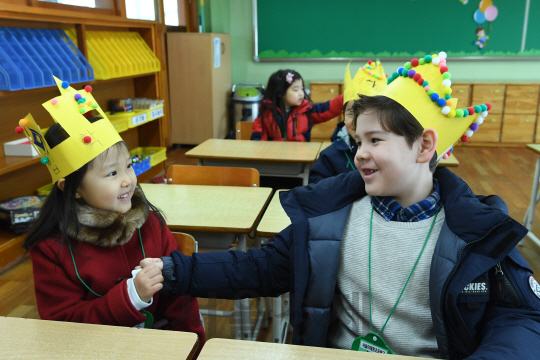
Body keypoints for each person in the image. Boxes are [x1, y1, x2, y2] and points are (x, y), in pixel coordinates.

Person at [142, 53, 540, 358]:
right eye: (359, 140)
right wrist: (176, 270)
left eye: (376, 141)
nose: (359, 154)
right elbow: (258, 267)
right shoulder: (333, 212)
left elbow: (522, 317)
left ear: (424, 145)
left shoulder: (480, 232)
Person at [19, 77, 205, 356]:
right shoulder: (50, 248)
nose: (128, 180)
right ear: (74, 189)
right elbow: (61, 327)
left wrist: (193, 347)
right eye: (112, 173)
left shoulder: (151, 223)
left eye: (128, 166)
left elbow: (180, 300)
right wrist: (131, 297)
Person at [310, 60, 386, 183]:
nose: (358, 120)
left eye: (367, 112)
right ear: (343, 116)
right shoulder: (329, 157)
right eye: (351, 112)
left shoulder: (393, 152)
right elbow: (317, 192)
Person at [251, 69, 343, 141]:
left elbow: (329, 108)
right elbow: (258, 142)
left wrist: (346, 97)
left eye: (302, 89)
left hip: (301, 160)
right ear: (281, 93)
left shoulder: (307, 110)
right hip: (276, 160)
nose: (301, 93)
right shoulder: (266, 113)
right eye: (296, 90)